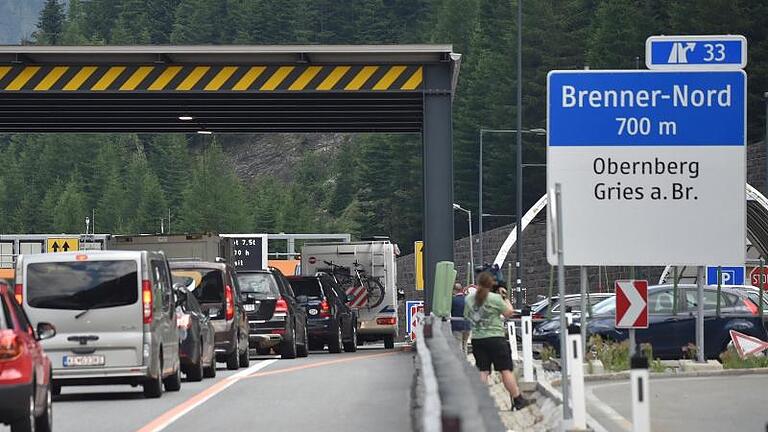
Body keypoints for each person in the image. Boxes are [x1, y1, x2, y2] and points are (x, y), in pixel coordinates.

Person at [465, 272, 533, 411]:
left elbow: (467, 316)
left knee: (482, 371)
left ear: (478, 284)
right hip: (496, 338)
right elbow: (509, 312)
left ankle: (480, 400)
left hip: (478, 339)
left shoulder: (469, 299)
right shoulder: (495, 298)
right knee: (505, 370)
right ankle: (517, 399)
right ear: (491, 285)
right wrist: (505, 297)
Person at [450, 283, 470, 353]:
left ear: (454, 290)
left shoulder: (453, 300)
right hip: (467, 325)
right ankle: (465, 360)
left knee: (458, 345)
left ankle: (460, 362)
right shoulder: (468, 299)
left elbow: (449, 311)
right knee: (465, 345)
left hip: (457, 326)